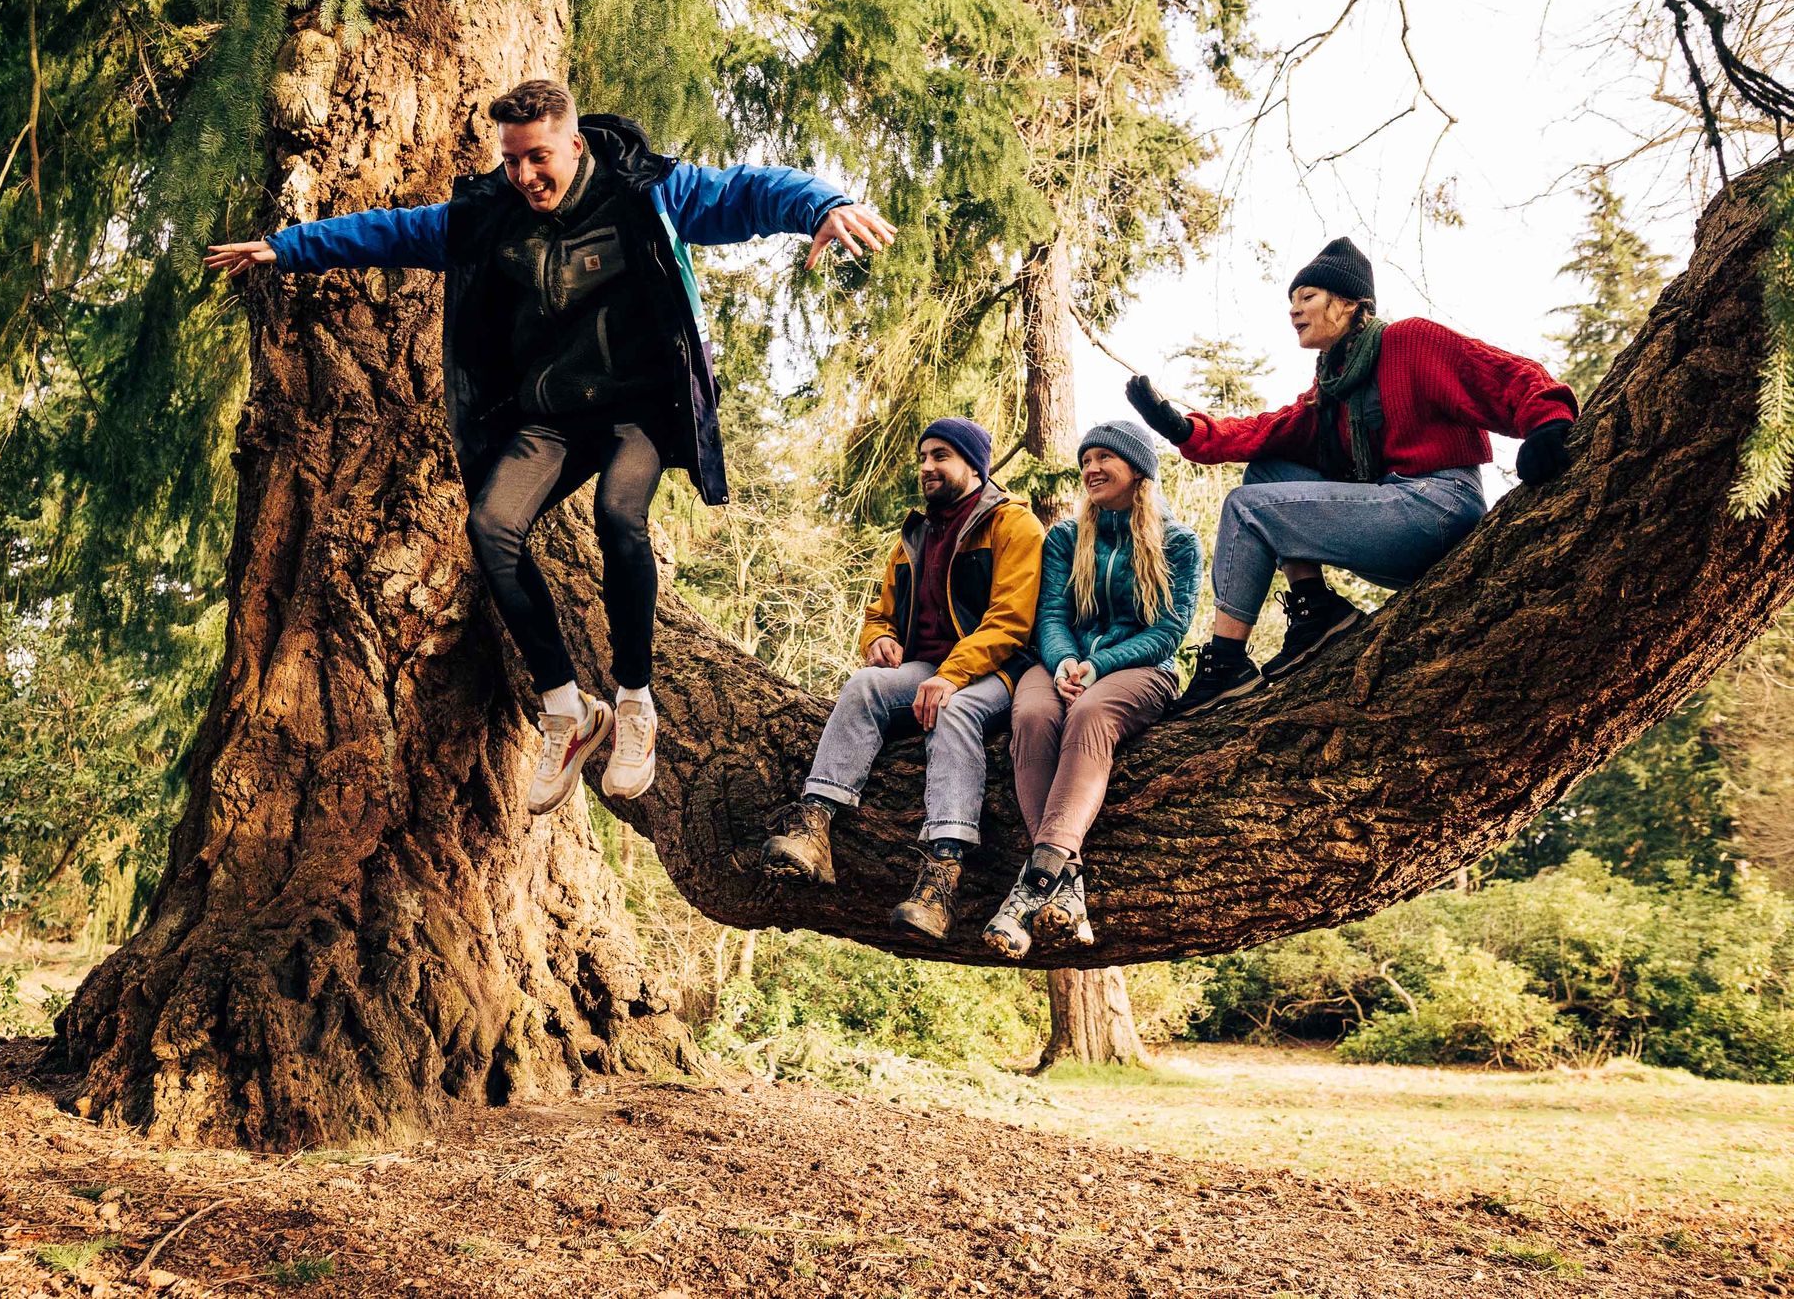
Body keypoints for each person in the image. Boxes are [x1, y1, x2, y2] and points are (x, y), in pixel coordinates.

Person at [204, 79, 897, 814]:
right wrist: (288, 247)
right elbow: (395, 231)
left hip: (638, 410)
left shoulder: (646, 189)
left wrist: (823, 204)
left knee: (619, 515)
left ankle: (635, 703)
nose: (526, 176)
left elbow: (749, 192)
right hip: (554, 415)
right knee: (491, 526)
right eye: (512, 161)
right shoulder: (490, 215)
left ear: (575, 143)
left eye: (539, 159)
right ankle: (567, 709)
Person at [1125, 237, 1578, 718]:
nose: (1294, 310)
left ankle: (1225, 666)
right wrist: (1184, 428)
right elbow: (1273, 430)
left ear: (1348, 303)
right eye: (1291, 301)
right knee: (1262, 477)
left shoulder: (1409, 340)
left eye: (1307, 297)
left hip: (1439, 504)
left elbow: (1498, 373)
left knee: (1246, 508)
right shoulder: (1334, 384)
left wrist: (1547, 425)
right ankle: (1316, 611)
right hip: (1392, 511)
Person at [759, 419, 1045, 940]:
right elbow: (880, 610)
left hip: (1003, 667)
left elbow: (1012, 621)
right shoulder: (918, 531)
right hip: (927, 667)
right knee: (864, 685)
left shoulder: (1013, 525)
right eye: (923, 458)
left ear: (973, 464)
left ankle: (940, 879)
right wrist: (878, 639)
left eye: (940, 456)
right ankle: (814, 826)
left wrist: (953, 676)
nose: (927, 468)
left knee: (954, 711)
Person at [984, 422, 1200, 959]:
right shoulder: (1065, 536)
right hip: (1060, 663)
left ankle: (1031, 889)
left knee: (1090, 717)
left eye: (1104, 457)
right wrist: (1062, 664)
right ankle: (1067, 887)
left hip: (1141, 670)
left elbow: (1168, 632)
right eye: (1085, 460)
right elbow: (1051, 614)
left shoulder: (1179, 543)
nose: (1091, 469)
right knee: (1032, 715)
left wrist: (1098, 666)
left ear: (1138, 470)